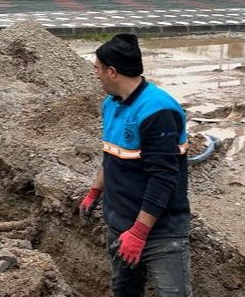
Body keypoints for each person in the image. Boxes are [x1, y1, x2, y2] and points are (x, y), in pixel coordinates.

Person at [80, 33, 191, 296]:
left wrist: (139, 233)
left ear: (112, 71)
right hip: (119, 224)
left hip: (160, 233)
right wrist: (94, 192)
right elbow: (111, 156)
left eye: (97, 69)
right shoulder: (110, 105)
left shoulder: (157, 111)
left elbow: (163, 178)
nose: (95, 75)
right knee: (125, 290)